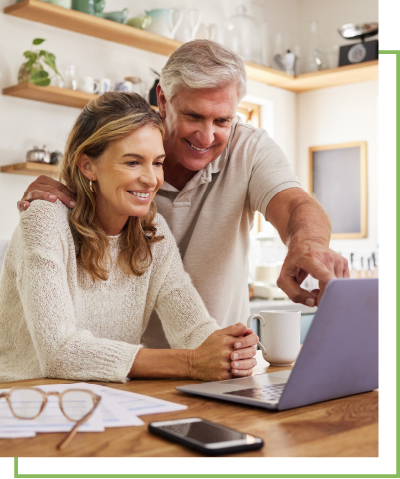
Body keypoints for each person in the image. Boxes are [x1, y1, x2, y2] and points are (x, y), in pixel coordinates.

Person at [17, 40, 349, 350]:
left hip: (209, 358)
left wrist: (307, 243)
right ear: (163, 100)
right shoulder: (120, 158)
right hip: (123, 367)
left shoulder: (249, 149)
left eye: (222, 120)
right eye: (193, 116)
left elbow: (295, 205)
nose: (207, 136)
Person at [0, 92, 259, 383]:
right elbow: (61, 352)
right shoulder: (45, 220)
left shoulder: (152, 231)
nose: (151, 180)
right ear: (88, 166)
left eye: (157, 163)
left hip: (111, 401)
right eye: (133, 162)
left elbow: (193, 330)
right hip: (26, 403)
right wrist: (190, 363)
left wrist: (230, 348)